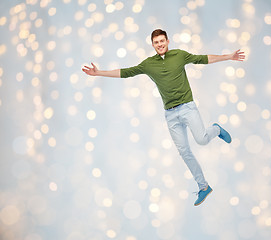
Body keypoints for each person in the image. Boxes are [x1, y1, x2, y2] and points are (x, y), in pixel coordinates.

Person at [82, 29, 245, 206]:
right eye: (156, 42)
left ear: (168, 41)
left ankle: (217, 129)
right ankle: (204, 186)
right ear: (153, 45)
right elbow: (126, 72)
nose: (160, 44)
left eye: (162, 41)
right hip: (170, 114)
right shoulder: (148, 64)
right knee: (184, 151)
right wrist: (99, 73)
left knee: (202, 140)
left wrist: (229, 56)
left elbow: (203, 59)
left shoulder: (179, 55)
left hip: (187, 108)